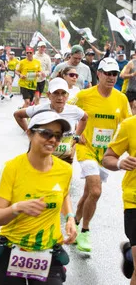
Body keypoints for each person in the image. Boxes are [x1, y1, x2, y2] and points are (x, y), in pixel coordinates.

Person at [0, 109, 76, 285]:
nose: (53, 140)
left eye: (58, 136)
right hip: (12, 250)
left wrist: (70, 218)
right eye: (46, 133)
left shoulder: (65, 170)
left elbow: (64, 194)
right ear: (29, 133)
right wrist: (18, 208)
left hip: (49, 251)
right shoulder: (11, 168)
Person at [68, 57, 132, 253]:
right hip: (86, 149)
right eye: (108, 73)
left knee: (89, 193)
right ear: (99, 74)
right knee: (95, 191)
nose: (112, 77)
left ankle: (75, 222)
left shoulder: (121, 98)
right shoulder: (85, 96)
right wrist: (75, 137)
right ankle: (85, 231)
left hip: (106, 155)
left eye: (114, 74)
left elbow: (129, 126)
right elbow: (64, 113)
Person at [14, 78, 87, 164]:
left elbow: (85, 118)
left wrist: (76, 136)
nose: (60, 98)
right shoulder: (40, 109)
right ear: (49, 95)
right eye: (55, 93)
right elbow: (17, 115)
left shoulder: (74, 111)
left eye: (63, 93)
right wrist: (29, 133)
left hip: (65, 157)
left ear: (67, 95)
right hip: (42, 156)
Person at [102, 115, 136, 283]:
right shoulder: (130, 125)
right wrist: (120, 163)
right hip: (134, 200)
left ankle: (130, 253)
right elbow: (108, 158)